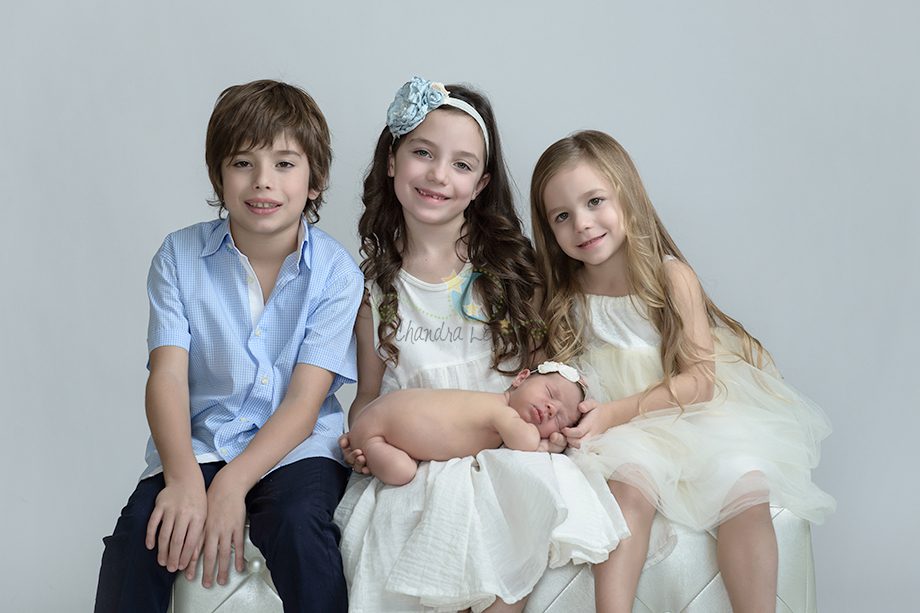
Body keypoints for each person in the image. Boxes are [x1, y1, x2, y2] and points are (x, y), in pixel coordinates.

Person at [335, 78, 627, 613]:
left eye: (462, 164)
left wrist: (553, 426)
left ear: (480, 183)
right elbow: (369, 391)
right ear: (393, 161)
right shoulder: (372, 288)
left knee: (516, 527)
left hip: (503, 450)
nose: (439, 175)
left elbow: (544, 373)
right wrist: (357, 441)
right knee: (402, 537)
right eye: (423, 152)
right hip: (419, 457)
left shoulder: (511, 273)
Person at [529, 129, 836, 613]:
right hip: (616, 430)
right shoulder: (564, 298)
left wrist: (614, 413)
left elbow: (700, 381)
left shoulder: (670, 277)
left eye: (594, 201)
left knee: (746, 487)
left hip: (680, 412)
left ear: (626, 195)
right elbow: (555, 376)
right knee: (629, 488)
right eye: (562, 216)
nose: (582, 224)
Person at [93, 80, 364, 613]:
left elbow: (304, 403)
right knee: (139, 536)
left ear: (315, 180)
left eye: (285, 164)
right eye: (243, 162)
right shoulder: (179, 256)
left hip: (297, 449)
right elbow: (167, 375)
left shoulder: (336, 274)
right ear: (219, 173)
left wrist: (231, 487)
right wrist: (183, 478)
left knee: (299, 528)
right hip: (203, 444)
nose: (263, 182)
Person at [348, 361, 586, 485]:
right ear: (521, 378)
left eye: (560, 417)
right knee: (402, 472)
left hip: (383, 414)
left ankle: (366, 442)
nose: (551, 408)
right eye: (550, 393)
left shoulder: (497, 412)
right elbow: (525, 442)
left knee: (402, 466)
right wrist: (544, 446)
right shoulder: (501, 412)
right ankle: (368, 446)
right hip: (379, 427)